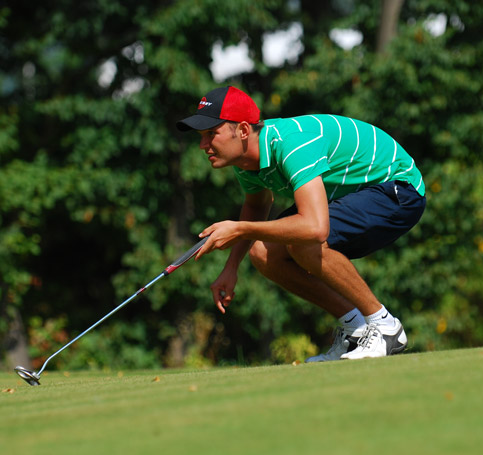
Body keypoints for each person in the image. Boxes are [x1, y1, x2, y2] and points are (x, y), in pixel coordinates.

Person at [177, 86, 425, 361]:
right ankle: (355, 329)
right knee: (262, 253)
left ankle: (385, 326)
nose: (203, 145)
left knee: (304, 240)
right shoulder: (245, 161)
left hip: (399, 190)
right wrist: (231, 267)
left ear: (244, 131)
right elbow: (257, 205)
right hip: (356, 194)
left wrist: (238, 229)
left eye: (212, 134)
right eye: (201, 136)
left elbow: (315, 229)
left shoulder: (291, 144)